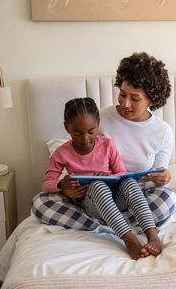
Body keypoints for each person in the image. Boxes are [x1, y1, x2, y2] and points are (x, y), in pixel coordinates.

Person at [32, 52, 176, 255]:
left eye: (134, 98)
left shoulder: (162, 132)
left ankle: (146, 233)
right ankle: (126, 233)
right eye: (122, 94)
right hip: (91, 197)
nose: (125, 104)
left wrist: (164, 177)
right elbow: (79, 152)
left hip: (131, 196)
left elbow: (155, 175)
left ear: (151, 99)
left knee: (166, 198)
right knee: (41, 203)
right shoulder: (100, 118)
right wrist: (65, 188)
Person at [37, 97, 162, 259]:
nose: (85, 138)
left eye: (91, 131)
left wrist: (110, 176)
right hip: (92, 203)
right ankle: (129, 239)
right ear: (66, 128)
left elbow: (121, 173)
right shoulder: (61, 153)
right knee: (97, 186)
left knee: (130, 182)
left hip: (116, 198)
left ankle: (153, 236)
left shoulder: (107, 145)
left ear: (98, 125)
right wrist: (62, 184)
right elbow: (46, 185)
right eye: (77, 133)